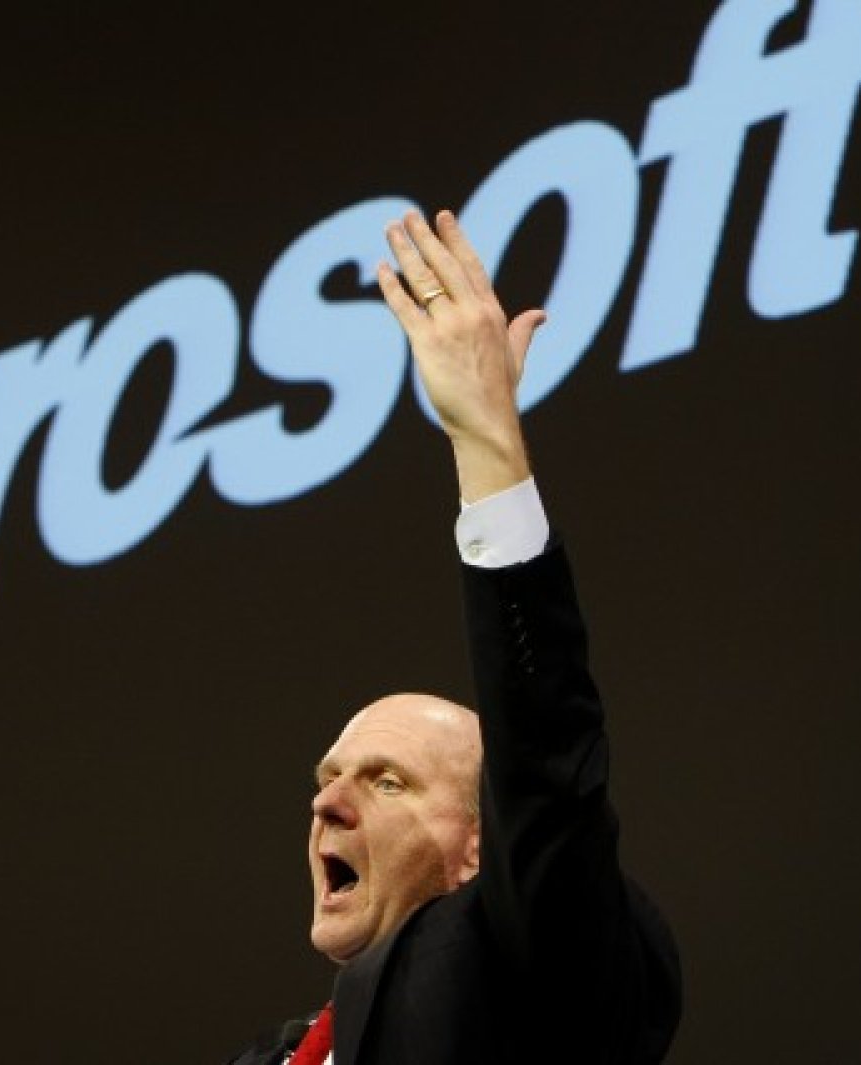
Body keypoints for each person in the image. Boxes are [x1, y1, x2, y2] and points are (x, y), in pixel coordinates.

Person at [225, 210, 683, 1064]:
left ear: (482, 845)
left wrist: (487, 445)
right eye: (328, 778)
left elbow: (548, 772)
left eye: (387, 780)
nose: (326, 804)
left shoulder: (517, 965)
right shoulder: (272, 1053)